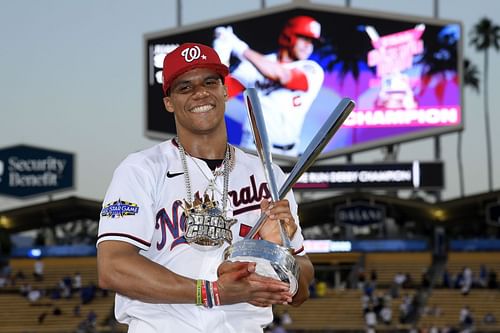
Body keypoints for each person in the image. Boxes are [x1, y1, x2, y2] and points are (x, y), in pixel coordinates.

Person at [97, 42, 314, 332]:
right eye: (185, 87)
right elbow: (113, 268)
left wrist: (279, 252)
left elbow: (302, 285)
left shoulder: (268, 176)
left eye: (209, 82)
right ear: (169, 102)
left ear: (225, 90)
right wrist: (212, 292)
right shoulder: (141, 169)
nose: (200, 92)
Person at [213, 16, 324, 156]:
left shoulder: (311, 69)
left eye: (312, 41)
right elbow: (221, 95)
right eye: (304, 38)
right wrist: (221, 57)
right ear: (288, 36)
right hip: (254, 149)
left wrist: (239, 47)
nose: (309, 45)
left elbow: (283, 76)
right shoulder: (254, 66)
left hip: (289, 153)